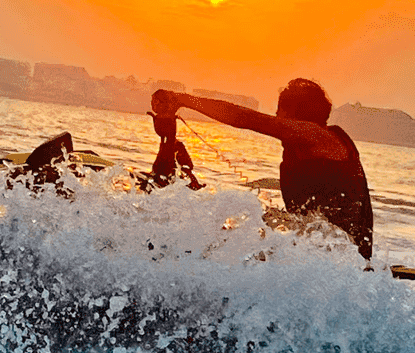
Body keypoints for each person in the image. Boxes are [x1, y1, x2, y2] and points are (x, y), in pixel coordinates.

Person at [151, 78, 373, 261]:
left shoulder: (319, 136)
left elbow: (245, 118)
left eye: (279, 112)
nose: (276, 118)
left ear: (289, 115)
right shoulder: (306, 146)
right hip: (318, 249)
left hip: (342, 256)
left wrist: (181, 99)